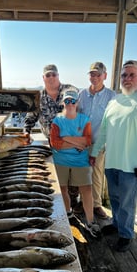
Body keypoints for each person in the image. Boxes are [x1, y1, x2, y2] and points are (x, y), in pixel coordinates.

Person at [90, 60, 137, 251]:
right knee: (114, 197)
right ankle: (116, 224)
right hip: (111, 160)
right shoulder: (114, 101)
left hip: (132, 163)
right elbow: (104, 131)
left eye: (132, 74)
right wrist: (95, 152)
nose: (127, 78)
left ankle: (126, 234)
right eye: (124, 75)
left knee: (127, 201)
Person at [24, 64, 79, 207]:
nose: (51, 77)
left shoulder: (69, 90)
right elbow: (31, 117)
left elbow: (78, 106)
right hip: (51, 143)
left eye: (54, 74)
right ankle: (60, 205)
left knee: (72, 175)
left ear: (58, 76)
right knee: (55, 175)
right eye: (48, 75)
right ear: (43, 78)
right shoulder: (38, 97)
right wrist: (26, 132)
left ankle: (74, 204)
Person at [49, 89, 100, 238]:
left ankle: (90, 221)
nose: (70, 104)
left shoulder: (84, 120)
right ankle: (68, 212)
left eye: (72, 101)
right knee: (62, 189)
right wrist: (76, 142)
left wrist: (65, 138)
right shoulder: (57, 120)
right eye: (67, 101)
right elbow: (55, 143)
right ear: (62, 103)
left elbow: (87, 141)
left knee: (87, 190)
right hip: (60, 161)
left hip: (80, 162)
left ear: (77, 103)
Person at [76, 62, 116, 219]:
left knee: (97, 173)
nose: (94, 77)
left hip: (99, 142)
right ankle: (82, 201)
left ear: (105, 76)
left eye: (98, 74)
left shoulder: (112, 96)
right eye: (92, 74)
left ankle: (97, 205)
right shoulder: (81, 94)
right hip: (81, 142)